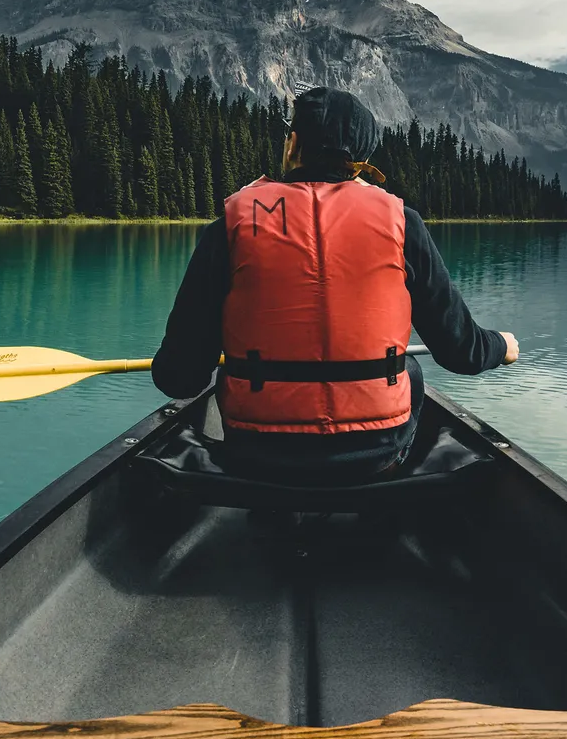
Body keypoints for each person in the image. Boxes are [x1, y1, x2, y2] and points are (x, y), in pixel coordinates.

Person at [151, 87, 518, 483]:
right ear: (360, 165)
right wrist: (503, 346)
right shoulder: (402, 223)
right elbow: (461, 352)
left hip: (257, 451)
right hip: (374, 453)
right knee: (407, 369)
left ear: (293, 145)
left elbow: (178, 379)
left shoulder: (232, 225)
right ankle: (384, 495)